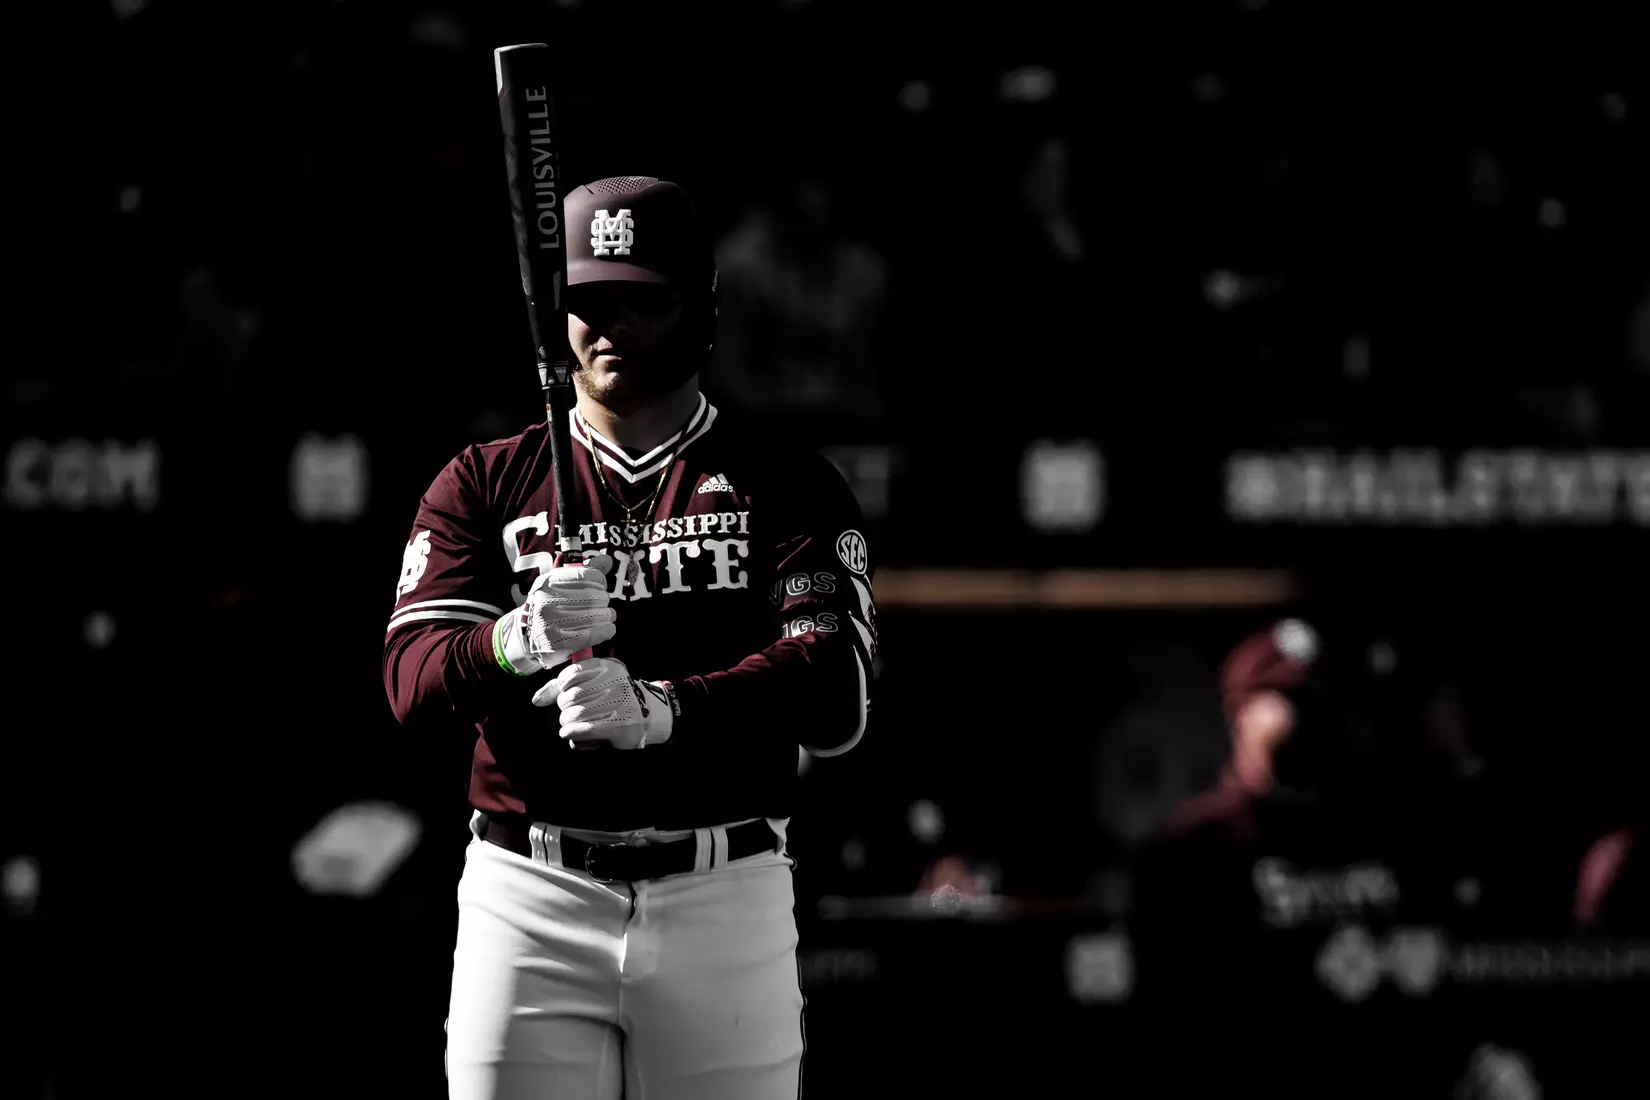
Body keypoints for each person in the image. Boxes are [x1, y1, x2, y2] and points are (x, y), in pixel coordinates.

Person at [382, 175, 879, 1100]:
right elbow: (411, 682)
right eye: (589, 301)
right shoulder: (484, 481)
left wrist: (666, 708)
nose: (611, 325)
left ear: (704, 309)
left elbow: (833, 691)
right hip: (529, 890)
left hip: (724, 886)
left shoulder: (787, 481)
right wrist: (516, 641)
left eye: (644, 301)